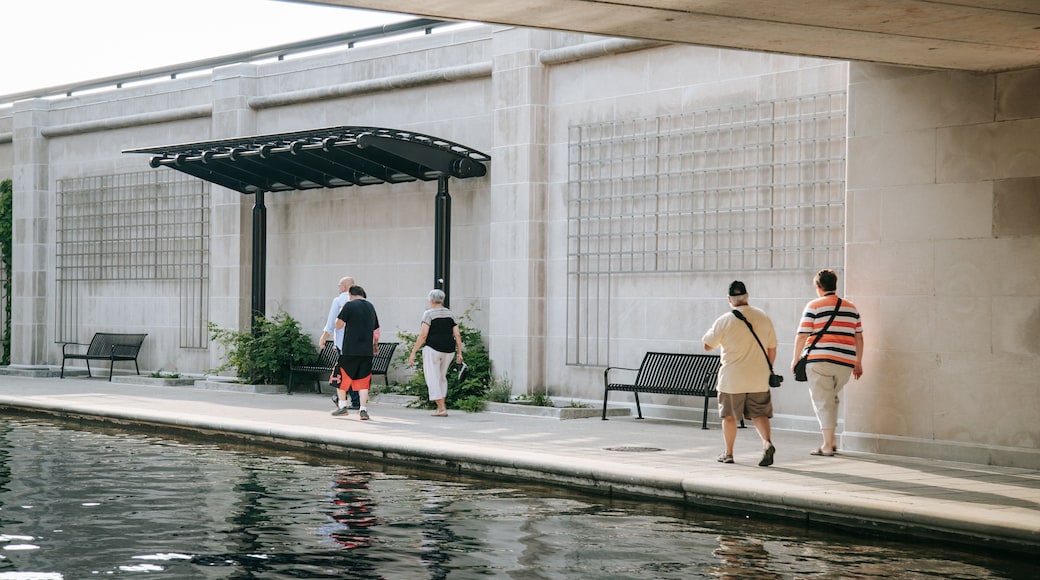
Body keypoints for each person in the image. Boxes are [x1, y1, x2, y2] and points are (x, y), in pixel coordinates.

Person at [702, 280, 778, 467]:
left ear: (729, 299)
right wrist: (766, 367)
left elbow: (707, 345)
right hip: (758, 377)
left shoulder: (724, 320)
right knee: (759, 413)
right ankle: (767, 443)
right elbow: (772, 348)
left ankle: (728, 453)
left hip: (732, 378)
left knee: (729, 416)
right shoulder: (763, 317)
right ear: (747, 296)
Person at [792, 269, 864, 457]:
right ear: (835, 284)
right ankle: (831, 441)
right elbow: (859, 337)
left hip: (820, 360)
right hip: (845, 363)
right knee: (831, 398)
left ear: (818, 287)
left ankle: (826, 445)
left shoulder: (814, 305)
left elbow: (802, 335)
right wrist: (858, 362)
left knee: (823, 401)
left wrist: (795, 358)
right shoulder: (851, 307)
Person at [407, 289, 463, 417]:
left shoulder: (428, 314)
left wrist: (413, 352)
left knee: (432, 377)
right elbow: (457, 334)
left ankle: (441, 408)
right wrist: (459, 352)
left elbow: (423, 335)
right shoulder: (450, 314)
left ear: (431, 300)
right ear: (442, 300)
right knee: (442, 377)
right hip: (449, 349)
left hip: (433, 349)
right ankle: (440, 407)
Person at [331, 285, 380, 420]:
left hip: (350, 349)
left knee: (340, 376)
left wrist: (340, 313)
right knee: (363, 381)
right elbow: (375, 331)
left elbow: (338, 325)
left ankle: (342, 407)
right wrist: (375, 346)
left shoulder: (349, 305)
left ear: (350, 294)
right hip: (366, 351)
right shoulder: (370, 307)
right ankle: (363, 410)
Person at [320, 276, 361, 410]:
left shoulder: (339, 300)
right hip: (358, 343)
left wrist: (324, 337)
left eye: (339, 286)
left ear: (344, 286)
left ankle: (342, 398)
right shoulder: (363, 301)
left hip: (343, 343)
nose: (338, 289)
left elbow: (332, 322)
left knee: (343, 372)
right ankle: (355, 400)